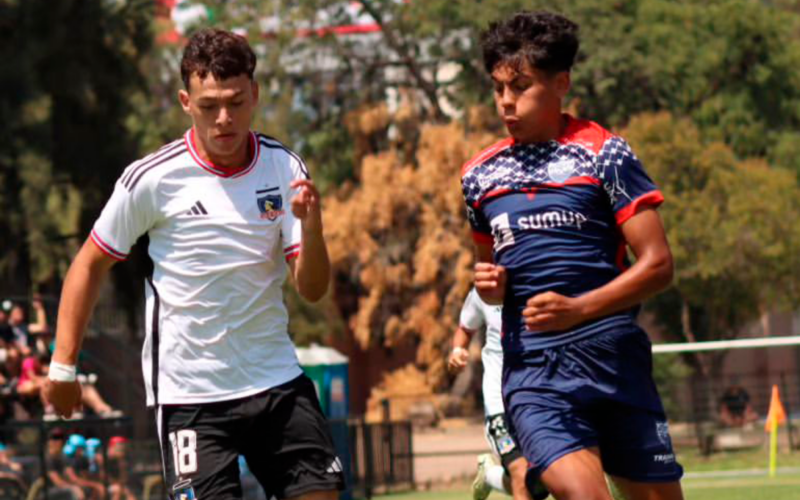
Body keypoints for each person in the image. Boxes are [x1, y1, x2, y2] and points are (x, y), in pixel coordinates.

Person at [45, 28, 344, 500]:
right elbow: (89, 264)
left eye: (236, 102)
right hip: (191, 397)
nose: (224, 118)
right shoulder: (151, 179)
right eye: (209, 106)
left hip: (275, 382)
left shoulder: (284, 168)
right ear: (186, 101)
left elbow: (311, 288)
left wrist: (316, 227)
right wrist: (62, 367)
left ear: (255, 94)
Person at [461, 11, 684, 500]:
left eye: (520, 87)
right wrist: (489, 287)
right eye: (498, 88)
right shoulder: (479, 176)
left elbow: (658, 265)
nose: (505, 102)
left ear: (560, 83)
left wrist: (579, 309)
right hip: (537, 372)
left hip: (615, 363)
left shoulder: (606, 154)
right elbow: (488, 270)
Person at [448, 288, 548, 500]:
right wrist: (458, 350)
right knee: (521, 476)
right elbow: (465, 328)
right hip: (499, 406)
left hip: (538, 401)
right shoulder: (484, 290)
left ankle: (490, 476)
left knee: (540, 486)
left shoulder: (541, 279)